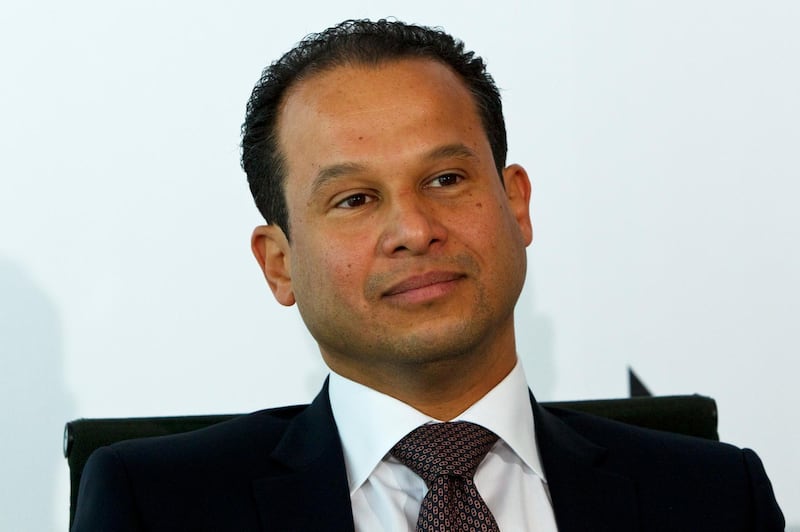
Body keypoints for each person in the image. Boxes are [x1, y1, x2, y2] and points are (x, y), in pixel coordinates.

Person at [71, 19, 784, 531]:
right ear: (279, 264)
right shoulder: (157, 506)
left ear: (517, 204)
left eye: (445, 178)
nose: (414, 229)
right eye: (354, 199)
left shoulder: (716, 497)